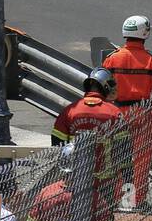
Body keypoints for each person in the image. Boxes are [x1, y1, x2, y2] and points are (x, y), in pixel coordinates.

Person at [101, 17, 152, 208]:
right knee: (141, 160)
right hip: (143, 114)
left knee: (115, 158)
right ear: (144, 34)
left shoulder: (112, 59)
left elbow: (103, 89)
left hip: (117, 114)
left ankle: (116, 200)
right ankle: (133, 203)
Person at [51, 68, 131, 208]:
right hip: (104, 182)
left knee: (74, 216)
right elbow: (124, 152)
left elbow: (57, 146)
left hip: (74, 178)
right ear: (106, 87)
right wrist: (128, 182)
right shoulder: (114, 113)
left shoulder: (70, 111)